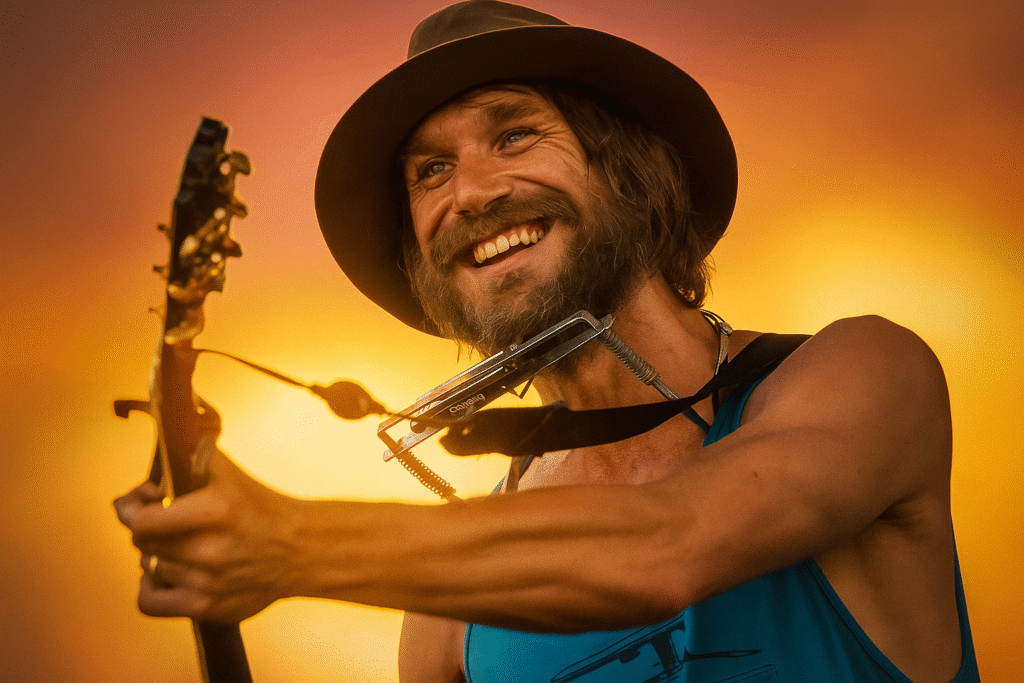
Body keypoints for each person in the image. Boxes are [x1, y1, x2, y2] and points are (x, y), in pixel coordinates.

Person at [115, 2, 980, 681]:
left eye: (515, 134)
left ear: (630, 172)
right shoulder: (450, 620)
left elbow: (667, 546)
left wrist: (290, 543)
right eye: (430, 171)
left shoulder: (863, 373)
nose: (472, 193)